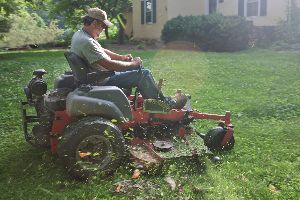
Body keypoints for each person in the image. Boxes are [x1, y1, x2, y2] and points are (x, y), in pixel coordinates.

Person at [70, 7, 187, 109]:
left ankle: (158, 98)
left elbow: (101, 51)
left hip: (97, 76)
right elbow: (109, 64)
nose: (104, 29)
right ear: (95, 23)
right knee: (143, 74)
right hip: (102, 80)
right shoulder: (86, 42)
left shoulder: (81, 35)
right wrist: (133, 64)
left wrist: (122, 57)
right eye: (103, 25)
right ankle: (162, 105)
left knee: (139, 70)